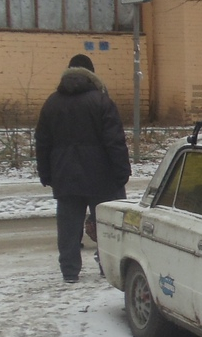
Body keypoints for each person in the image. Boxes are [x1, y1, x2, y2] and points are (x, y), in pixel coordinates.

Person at [35, 54, 131, 284]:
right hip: (103, 177)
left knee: (68, 225)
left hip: (65, 176)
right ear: (92, 75)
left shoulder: (52, 103)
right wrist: (122, 172)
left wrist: (46, 173)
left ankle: (69, 271)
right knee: (107, 225)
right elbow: (114, 141)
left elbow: (42, 142)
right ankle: (106, 266)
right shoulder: (101, 102)